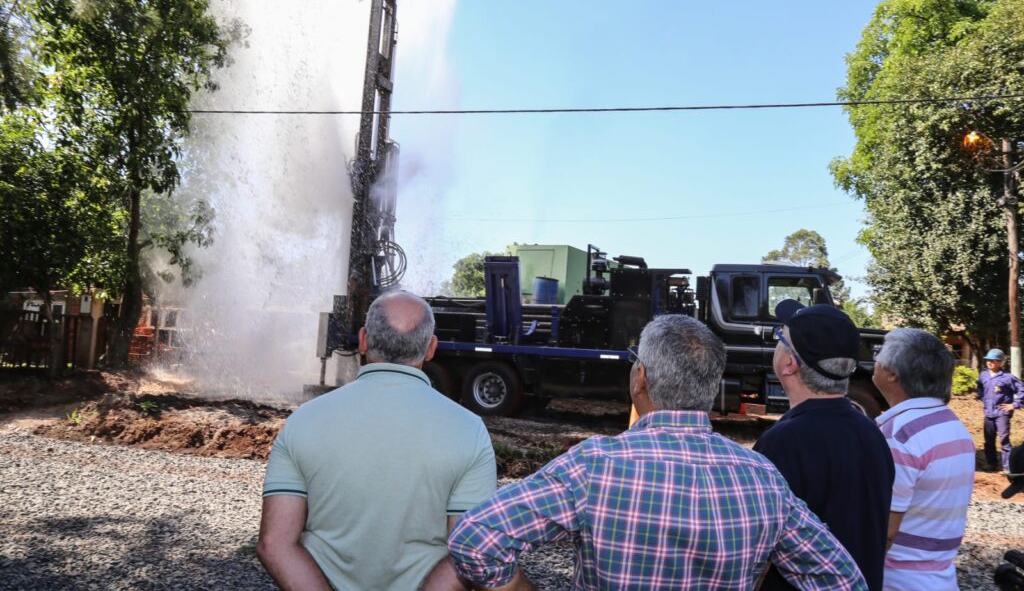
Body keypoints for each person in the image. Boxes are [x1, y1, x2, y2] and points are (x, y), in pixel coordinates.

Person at [423, 314, 867, 591]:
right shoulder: (764, 478)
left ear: (640, 378)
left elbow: (474, 539)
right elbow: (841, 578)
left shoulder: (593, 466)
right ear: (712, 390)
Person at [256, 290, 496, 590]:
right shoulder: (469, 431)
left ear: (363, 340)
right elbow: (469, 552)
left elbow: (274, 543)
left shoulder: (303, 422)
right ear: (431, 348)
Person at [753, 300, 894, 591]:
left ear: (789, 363)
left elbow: (757, 548)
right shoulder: (872, 433)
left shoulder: (783, 443)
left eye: (781, 337)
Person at [872, 328, 975, 591]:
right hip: (940, 574)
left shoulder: (898, 435)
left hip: (897, 578)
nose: (874, 361)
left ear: (892, 373)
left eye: (878, 356)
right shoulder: (952, 425)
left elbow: (887, 531)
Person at [977, 348, 1024, 472]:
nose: (989, 362)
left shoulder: (1008, 378)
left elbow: (1021, 389)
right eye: (988, 360)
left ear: (1000, 362)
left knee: (1004, 440)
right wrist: (982, 397)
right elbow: (980, 387)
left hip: (1002, 413)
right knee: (989, 440)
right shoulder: (983, 375)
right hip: (988, 413)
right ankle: (991, 464)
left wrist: (1015, 404)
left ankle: (1007, 467)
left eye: (993, 360)